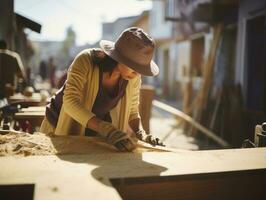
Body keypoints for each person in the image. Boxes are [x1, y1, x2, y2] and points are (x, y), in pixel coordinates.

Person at [40, 27, 163, 151]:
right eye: (134, 67)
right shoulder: (86, 60)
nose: (137, 74)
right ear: (120, 57)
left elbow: (132, 112)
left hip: (93, 133)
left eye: (140, 69)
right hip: (58, 127)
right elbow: (70, 101)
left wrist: (141, 133)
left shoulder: (133, 77)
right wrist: (106, 129)